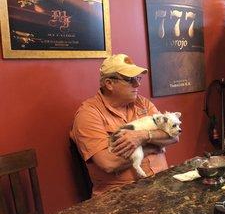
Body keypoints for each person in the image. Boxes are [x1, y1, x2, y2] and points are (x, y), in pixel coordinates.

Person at [71, 54, 179, 196]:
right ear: (109, 83)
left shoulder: (143, 103)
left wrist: (143, 136)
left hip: (161, 184)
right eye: (130, 80)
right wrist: (155, 145)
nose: (137, 84)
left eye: (138, 78)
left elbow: (174, 136)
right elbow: (108, 163)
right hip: (121, 196)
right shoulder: (89, 114)